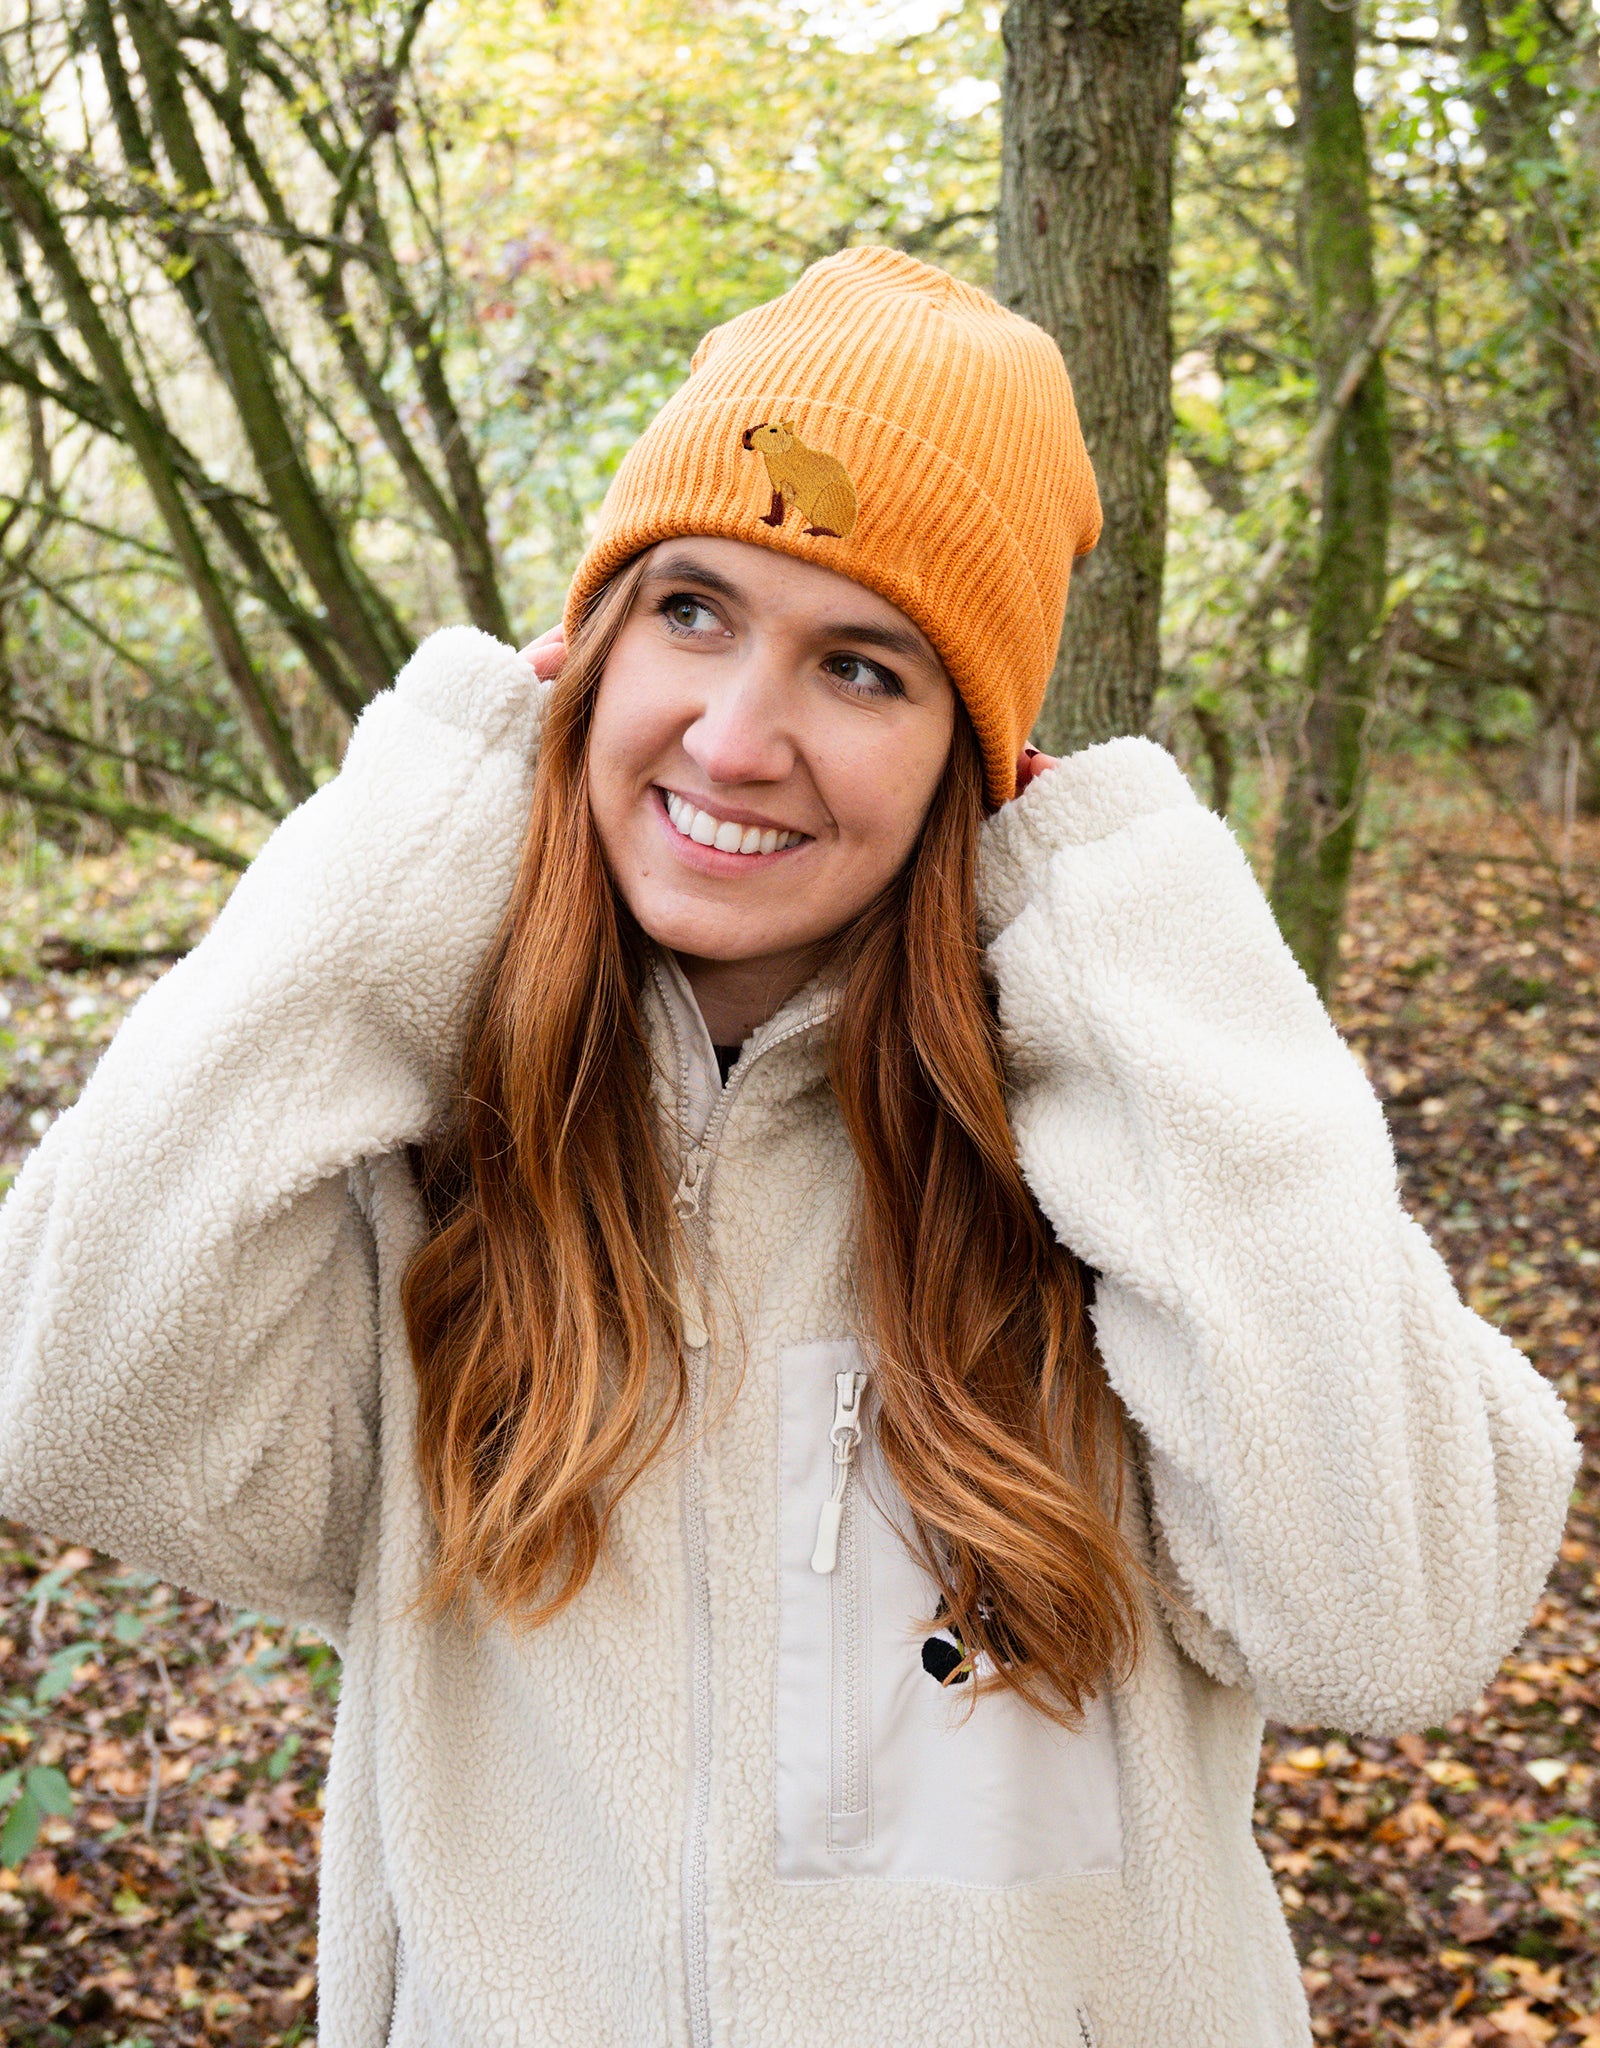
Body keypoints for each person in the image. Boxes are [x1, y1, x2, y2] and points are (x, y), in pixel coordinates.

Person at [0, 246, 1576, 2048]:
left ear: (976, 764)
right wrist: (421, 827)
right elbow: (63, 1402)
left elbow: (1396, 1619)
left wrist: (1136, 934)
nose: (737, 738)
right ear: (580, 658)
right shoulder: (424, 1169)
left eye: (863, 666)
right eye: (685, 612)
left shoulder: (1118, 1183)